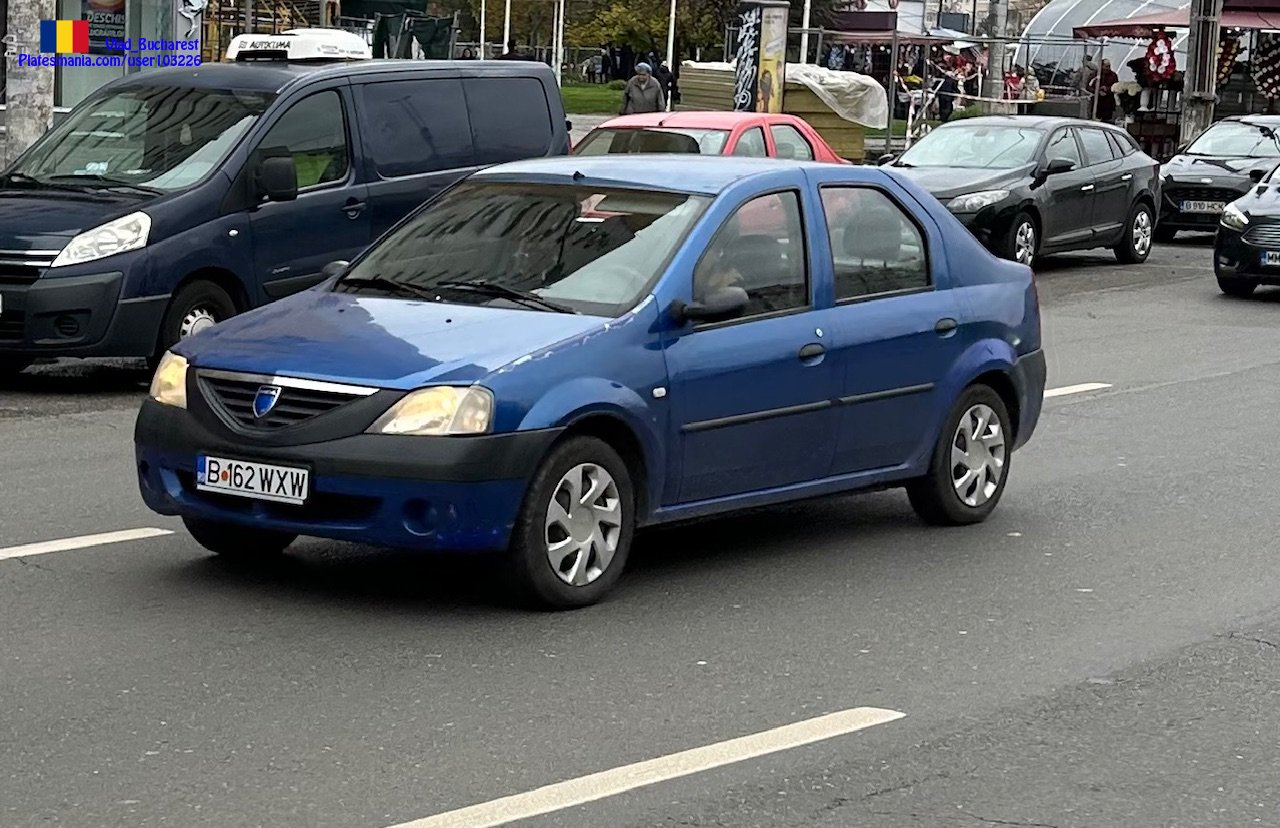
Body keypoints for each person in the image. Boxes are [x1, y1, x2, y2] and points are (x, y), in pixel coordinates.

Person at [1093, 58, 1119, 122]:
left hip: (1108, 103)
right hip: (1097, 102)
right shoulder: (1096, 74)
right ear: (1102, 66)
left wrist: (1107, 89)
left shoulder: (1113, 75)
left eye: (1109, 66)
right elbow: (1089, 86)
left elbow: (1116, 87)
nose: (1107, 68)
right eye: (1106, 66)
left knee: (1107, 120)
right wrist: (1097, 91)